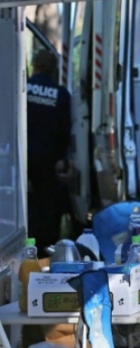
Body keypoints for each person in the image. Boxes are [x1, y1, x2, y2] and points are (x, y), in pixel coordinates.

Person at [26, 50, 72, 252]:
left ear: (34, 66)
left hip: (21, 158)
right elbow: (65, 130)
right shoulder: (61, 94)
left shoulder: (23, 87)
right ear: (54, 70)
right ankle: (45, 248)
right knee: (46, 206)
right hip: (47, 161)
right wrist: (62, 159)